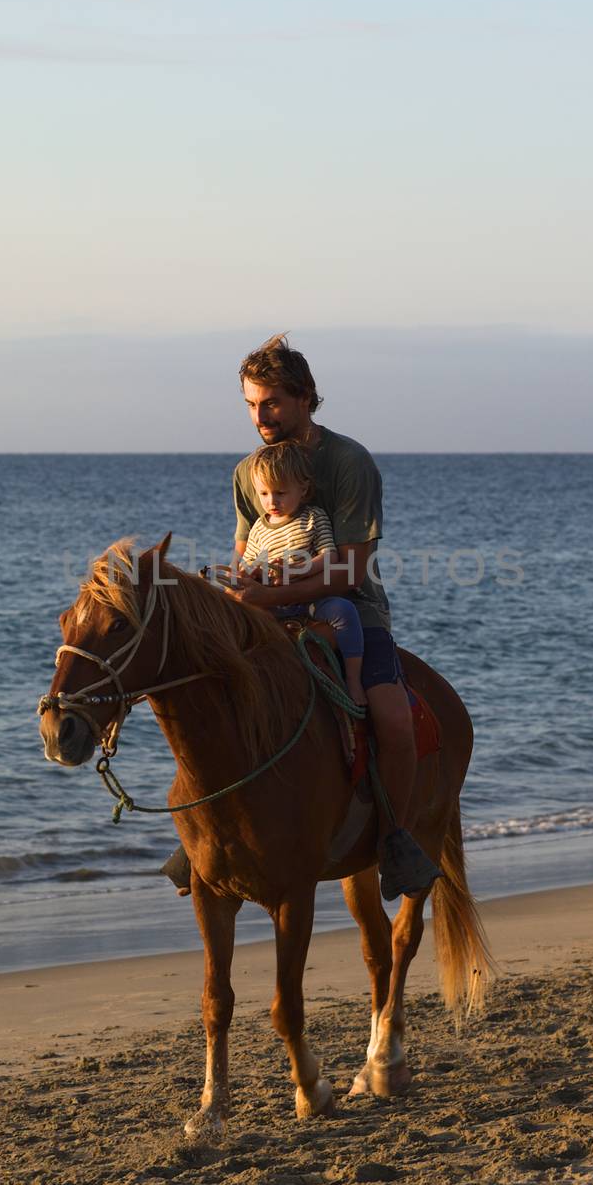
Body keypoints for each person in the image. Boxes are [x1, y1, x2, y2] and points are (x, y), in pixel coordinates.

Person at [164, 333, 439, 901]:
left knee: (392, 718)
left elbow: (351, 569)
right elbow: (245, 553)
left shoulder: (347, 462)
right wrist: (237, 594)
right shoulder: (248, 472)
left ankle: (396, 839)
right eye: (250, 404)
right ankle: (201, 830)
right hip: (269, 609)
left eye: (271, 403)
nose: (259, 416)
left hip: (352, 611)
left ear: (306, 397)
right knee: (199, 695)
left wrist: (269, 597)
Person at [237, 439, 366, 709]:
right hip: (271, 604)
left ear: (303, 489)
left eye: (280, 493)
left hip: (310, 601)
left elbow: (330, 557)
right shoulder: (260, 529)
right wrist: (250, 573)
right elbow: (247, 565)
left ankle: (353, 679)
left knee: (345, 612)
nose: (271, 502)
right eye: (263, 494)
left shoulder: (313, 518)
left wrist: (301, 569)